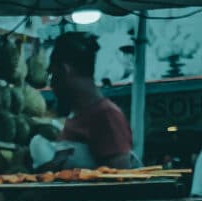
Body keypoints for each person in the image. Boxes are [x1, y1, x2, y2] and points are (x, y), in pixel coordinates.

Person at [46, 32, 139, 170]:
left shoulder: (106, 116)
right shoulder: (77, 115)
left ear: (65, 70)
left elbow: (120, 182)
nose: (52, 85)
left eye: (52, 76)